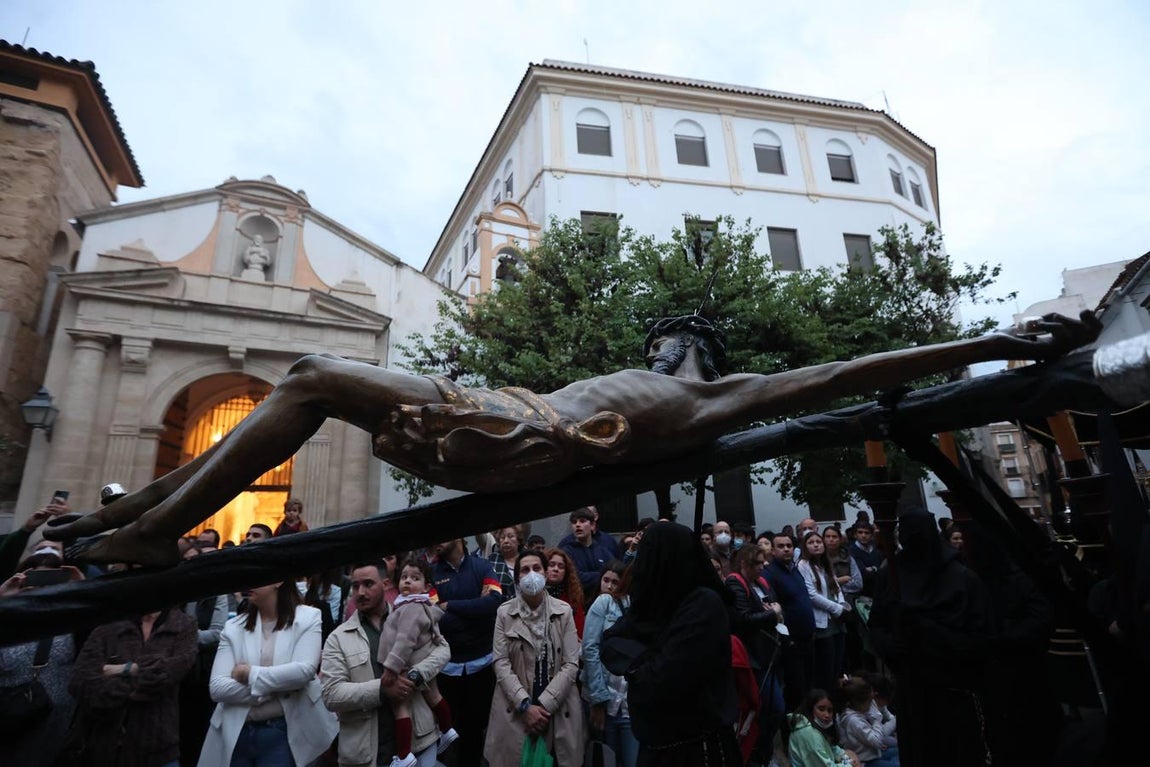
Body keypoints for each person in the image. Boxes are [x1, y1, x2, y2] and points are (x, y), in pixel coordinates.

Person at [47, 313, 1101, 565]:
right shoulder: (647, 374)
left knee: (314, 376)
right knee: (304, 386)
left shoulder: (717, 397)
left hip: (519, 433)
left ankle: (141, 525)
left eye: (676, 333)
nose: (662, 335)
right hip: (502, 411)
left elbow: (846, 370)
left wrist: (997, 339)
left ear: (699, 348)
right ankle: (132, 515)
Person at [602, 521, 741, 765]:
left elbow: (663, 679)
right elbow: (610, 643)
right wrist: (647, 660)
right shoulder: (651, 607)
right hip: (656, 749)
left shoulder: (703, 604)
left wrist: (638, 665)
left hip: (700, 751)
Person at [866, 508, 996, 767]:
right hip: (913, 689)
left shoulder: (961, 577)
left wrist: (930, 633)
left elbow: (982, 635)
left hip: (955, 687)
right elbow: (877, 624)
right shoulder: (890, 575)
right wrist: (890, 646)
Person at [322, 562, 451, 767]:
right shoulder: (338, 638)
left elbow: (444, 651)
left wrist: (416, 674)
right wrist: (382, 690)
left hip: (418, 740)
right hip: (367, 751)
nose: (361, 592)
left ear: (386, 584)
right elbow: (331, 694)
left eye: (368, 584)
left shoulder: (413, 614)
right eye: (355, 586)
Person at [199, 580, 338, 767]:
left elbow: (303, 671)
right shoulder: (234, 627)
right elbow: (217, 688)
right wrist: (274, 688)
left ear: (278, 581)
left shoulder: (307, 617)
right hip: (238, 731)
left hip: (282, 732)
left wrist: (249, 674)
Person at [65, 599, 198, 767]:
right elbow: (81, 683)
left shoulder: (183, 625)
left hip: (158, 751)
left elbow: (169, 672)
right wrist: (142, 679)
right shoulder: (110, 625)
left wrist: (120, 670)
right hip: (104, 748)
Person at [483, 550, 585, 766]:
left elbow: (571, 664)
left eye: (537, 568)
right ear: (517, 577)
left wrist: (544, 705)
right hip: (516, 709)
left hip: (557, 709)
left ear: (546, 573)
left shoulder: (563, 611)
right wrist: (525, 706)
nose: (532, 574)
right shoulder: (504, 613)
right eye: (525, 570)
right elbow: (500, 662)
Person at [0, 553, 85, 767]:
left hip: (54, 735)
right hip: (7, 727)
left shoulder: (73, 623)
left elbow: (103, 637)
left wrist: (83, 591)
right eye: (35, 581)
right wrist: (2, 600)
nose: (42, 589)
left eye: (52, 582)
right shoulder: (6, 621)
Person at [377, 558, 458, 767]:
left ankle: (404, 756)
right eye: (404, 577)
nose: (407, 581)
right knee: (434, 695)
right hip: (419, 663)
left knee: (400, 707)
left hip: (406, 666)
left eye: (415, 578)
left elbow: (405, 641)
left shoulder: (410, 607)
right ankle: (447, 729)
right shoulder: (416, 605)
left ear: (427, 586)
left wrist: (391, 667)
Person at [430, 538, 503, 767]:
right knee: (445, 735)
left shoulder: (482, 567)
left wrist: (449, 605)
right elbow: (434, 617)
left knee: (475, 733)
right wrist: (474, 609)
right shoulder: (430, 572)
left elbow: (492, 603)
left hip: (481, 666)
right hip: (446, 669)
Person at [726, 544, 785, 764]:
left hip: (770, 653)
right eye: (758, 563)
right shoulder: (735, 583)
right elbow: (743, 619)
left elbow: (776, 606)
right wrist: (772, 614)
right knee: (769, 708)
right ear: (744, 564)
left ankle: (765, 753)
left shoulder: (761, 583)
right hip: (753, 658)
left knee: (773, 709)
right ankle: (758, 755)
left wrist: (775, 612)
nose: (763, 566)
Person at [582, 560, 637, 767]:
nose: (610, 586)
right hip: (605, 697)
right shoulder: (604, 602)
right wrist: (598, 698)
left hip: (629, 702)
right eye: (606, 580)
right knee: (606, 759)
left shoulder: (637, 604)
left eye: (616, 581)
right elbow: (590, 648)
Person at [766, 532, 816, 712]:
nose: (786, 549)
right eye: (781, 546)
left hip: (807, 637)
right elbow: (774, 607)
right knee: (796, 689)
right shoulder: (770, 574)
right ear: (772, 551)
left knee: (808, 685)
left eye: (788, 545)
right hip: (791, 642)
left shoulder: (794, 570)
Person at [798, 530, 851, 692]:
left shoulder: (825, 564)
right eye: (811, 542)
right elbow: (811, 595)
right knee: (826, 668)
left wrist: (842, 603)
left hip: (836, 621)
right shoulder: (803, 565)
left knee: (837, 665)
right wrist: (836, 608)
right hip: (823, 622)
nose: (816, 545)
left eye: (818, 542)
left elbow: (836, 587)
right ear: (805, 547)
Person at [784, 688, 859, 767]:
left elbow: (831, 748)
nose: (827, 715)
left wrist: (846, 758)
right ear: (810, 709)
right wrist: (849, 765)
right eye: (821, 709)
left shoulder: (813, 728)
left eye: (829, 710)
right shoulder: (808, 734)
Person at [559, 507, 619, 602]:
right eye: (574, 522)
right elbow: (577, 578)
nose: (578, 525)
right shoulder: (566, 551)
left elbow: (616, 572)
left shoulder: (602, 550)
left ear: (592, 525)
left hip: (603, 602)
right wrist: (602, 576)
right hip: (578, 604)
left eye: (582, 521)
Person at [836, 676, 899, 767]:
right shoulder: (853, 721)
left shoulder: (857, 710)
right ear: (860, 703)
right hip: (864, 761)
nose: (872, 704)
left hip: (872, 754)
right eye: (870, 701)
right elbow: (877, 741)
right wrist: (876, 719)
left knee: (898, 751)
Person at [544, 547, 586, 638]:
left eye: (561, 566)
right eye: (551, 564)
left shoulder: (573, 598)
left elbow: (579, 633)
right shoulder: (535, 595)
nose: (556, 569)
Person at [487, 526, 523, 602]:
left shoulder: (527, 558)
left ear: (518, 540)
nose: (506, 541)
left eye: (511, 537)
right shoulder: (491, 562)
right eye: (502, 538)